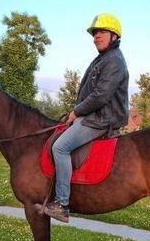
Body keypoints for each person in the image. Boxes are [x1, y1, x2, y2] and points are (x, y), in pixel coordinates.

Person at [44, 13, 129, 223]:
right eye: (94, 33)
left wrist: (76, 112)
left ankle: (62, 204)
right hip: (93, 116)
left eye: (101, 32)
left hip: (101, 119)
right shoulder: (104, 58)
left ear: (114, 36)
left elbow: (101, 95)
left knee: (60, 147)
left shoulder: (114, 61)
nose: (96, 37)